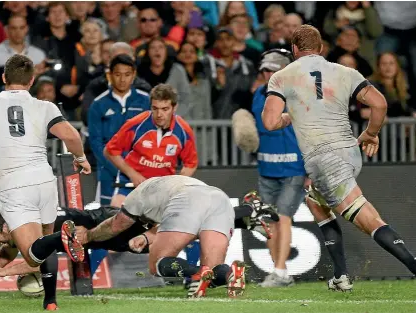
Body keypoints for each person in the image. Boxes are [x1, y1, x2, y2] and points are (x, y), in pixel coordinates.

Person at [262, 24, 416, 292]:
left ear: (295, 49)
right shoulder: (346, 72)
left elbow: (270, 121)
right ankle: (341, 275)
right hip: (350, 152)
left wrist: (291, 114)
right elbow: (379, 103)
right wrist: (371, 134)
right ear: (321, 49)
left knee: (370, 221)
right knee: (314, 200)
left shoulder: (282, 77)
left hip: (325, 160)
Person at [0, 54, 91, 311]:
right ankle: (50, 301)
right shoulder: (46, 106)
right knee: (42, 247)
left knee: (33, 254)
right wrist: (81, 158)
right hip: (44, 181)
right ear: (32, 80)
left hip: (13, 186)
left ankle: (63, 240)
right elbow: (72, 136)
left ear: (4, 77)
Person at [65, 175, 279, 298]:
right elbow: (176, 223)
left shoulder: (136, 196)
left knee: (156, 263)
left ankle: (196, 273)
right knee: (212, 274)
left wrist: (90, 235)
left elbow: (116, 225)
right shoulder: (172, 183)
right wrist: (149, 237)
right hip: (219, 200)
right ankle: (232, 273)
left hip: (188, 201)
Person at [0, 198, 278, 281]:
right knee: (175, 232)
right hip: (105, 233)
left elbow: (36, 262)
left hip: (107, 224)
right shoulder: (23, 227)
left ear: (5, 227)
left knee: (175, 227)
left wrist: (3, 271)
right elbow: (9, 250)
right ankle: (246, 214)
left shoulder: (31, 229)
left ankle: (247, 210)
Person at [250, 48, 308, 287]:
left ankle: (281, 269)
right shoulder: (257, 95)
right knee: (270, 221)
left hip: (294, 169)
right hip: (266, 170)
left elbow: (308, 132)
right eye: (265, 69)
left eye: (272, 70)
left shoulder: (298, 96)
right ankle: (279, 271)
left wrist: (310, 169)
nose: (267, 74)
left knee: (283, 217)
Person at [103, 83, 198, 208]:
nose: (159, 114)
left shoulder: (184, 131)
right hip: (129, 183)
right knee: (116, 211)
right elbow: (109, 151)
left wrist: (175, 184)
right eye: (155, 108)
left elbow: (191, 164)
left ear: (174, 108)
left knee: (157, 226)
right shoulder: (135, 124)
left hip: (162, 189)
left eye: (165, 109)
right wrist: (133, 174)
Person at [87, 54, 151, 206]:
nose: (122, 79)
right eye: (118, 74)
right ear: (110, 75)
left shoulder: (146, 100)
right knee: (109, 220)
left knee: (144, 218)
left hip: (142, 172)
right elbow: (96, 143)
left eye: (127, 74)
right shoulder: (98, 104)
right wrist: (117, 169)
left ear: (134, 75)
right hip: (109, 173)